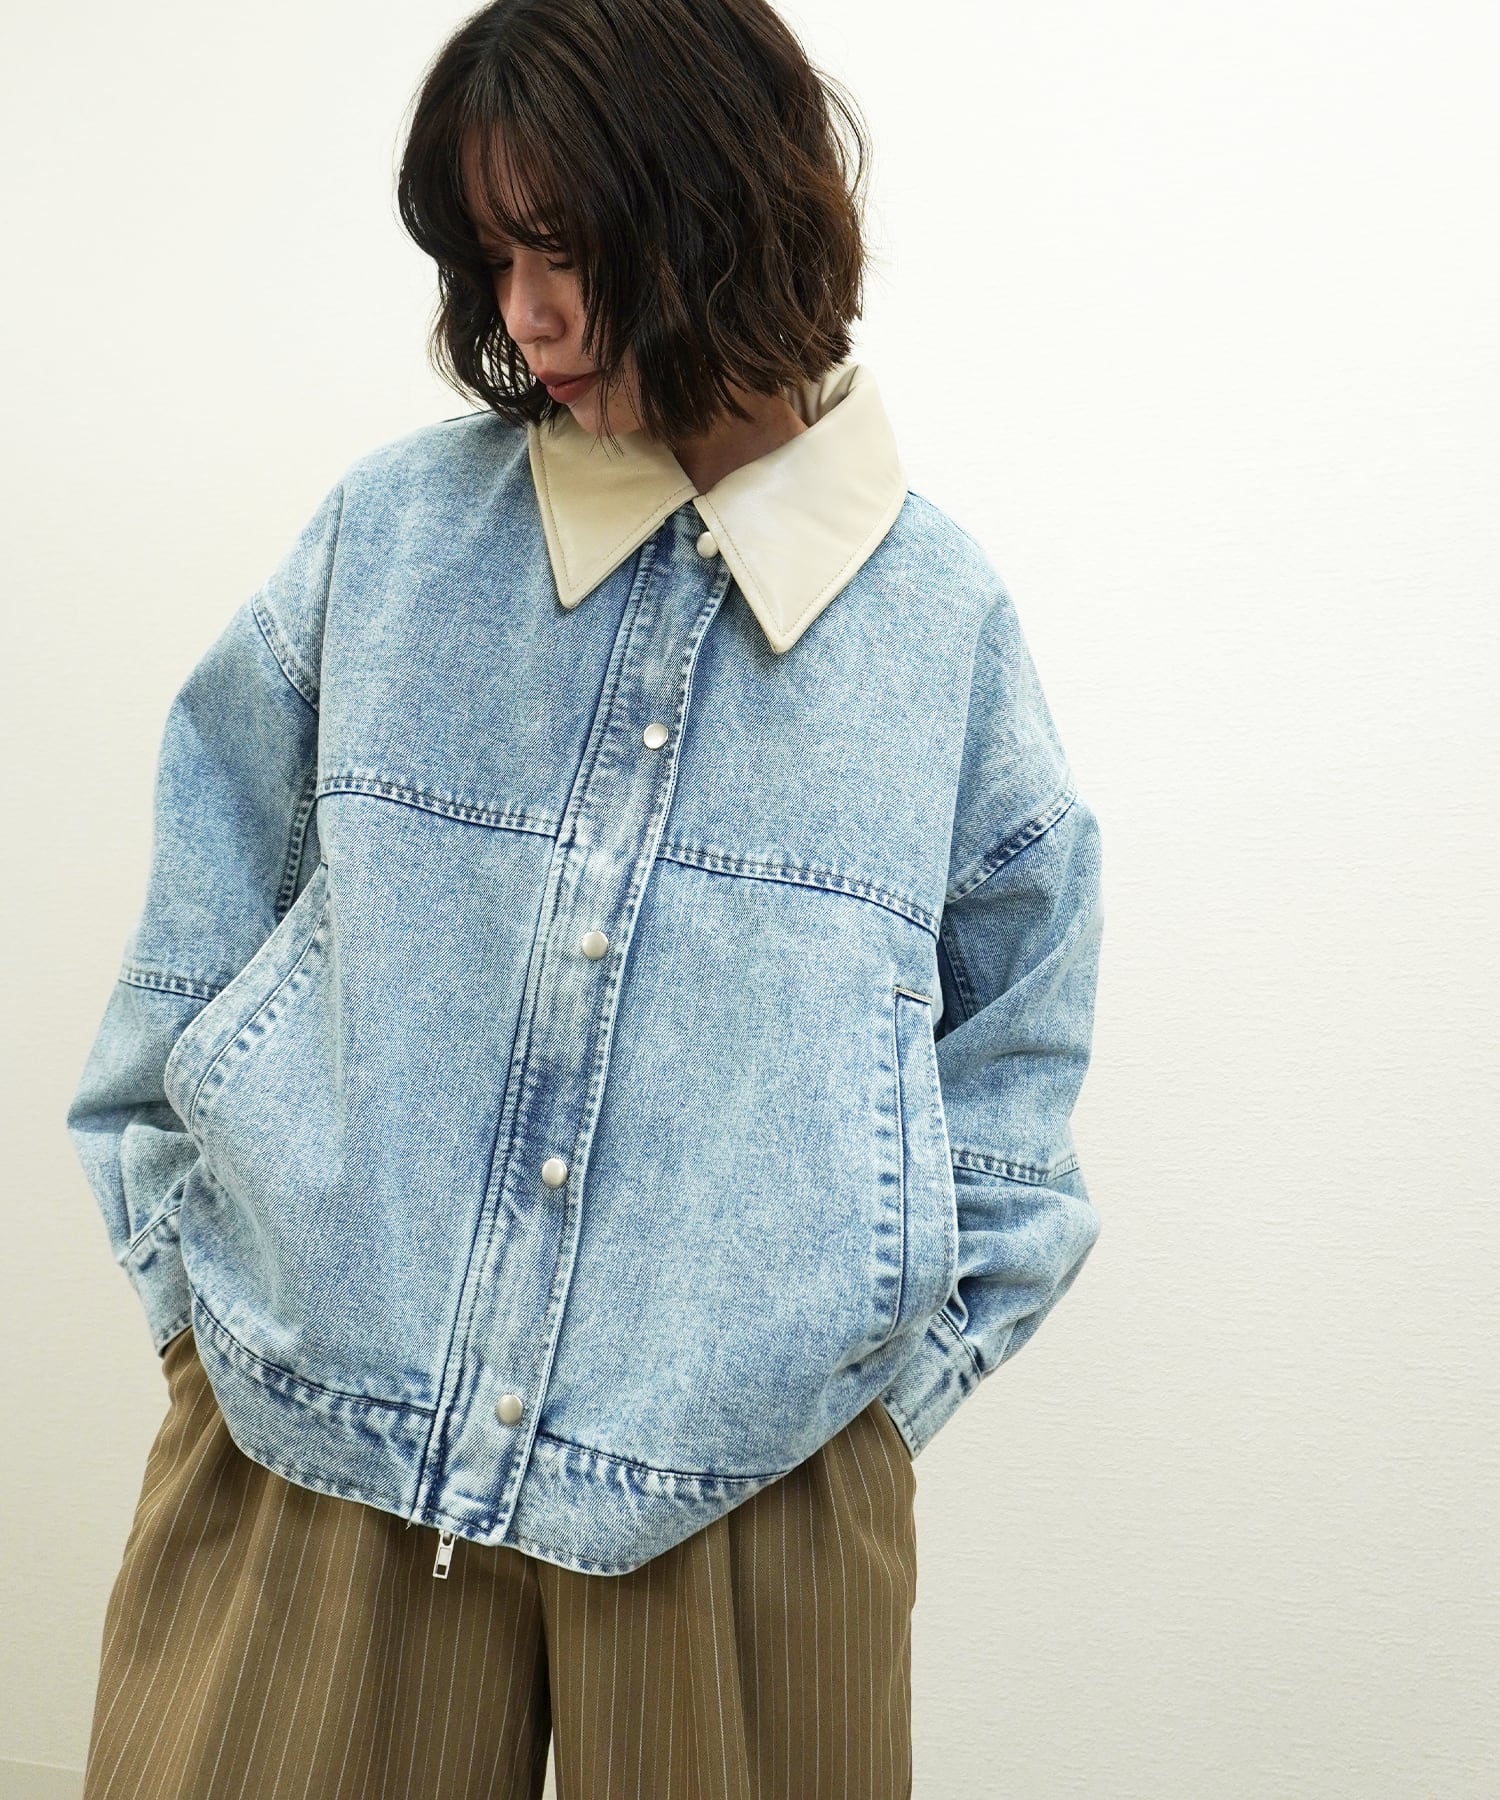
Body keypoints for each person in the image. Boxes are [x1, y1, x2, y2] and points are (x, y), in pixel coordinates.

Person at [65, 1, 1104, 1794]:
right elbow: (198, 927)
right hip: (315, 1431)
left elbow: (1017, 1058)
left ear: (724, 213)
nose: (526, 314)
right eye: (496, 259)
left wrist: (870, 1417)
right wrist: (189, 1294)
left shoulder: (938, 632)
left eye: (568, 250)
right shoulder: (393, 541)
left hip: (752, 1502)